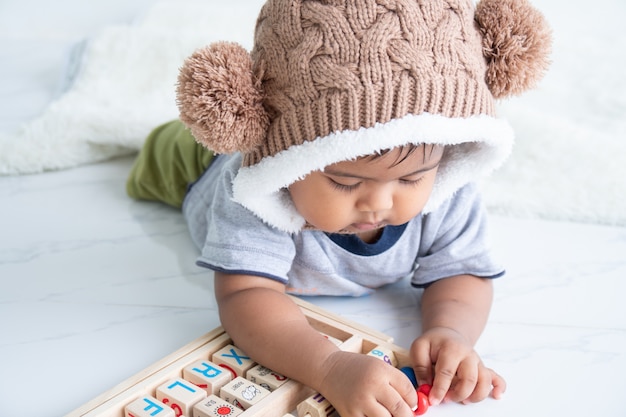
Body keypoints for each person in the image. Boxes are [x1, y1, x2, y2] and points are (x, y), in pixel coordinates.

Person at [127, 0, 551, 415]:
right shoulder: (252, 194)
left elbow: (462, 271)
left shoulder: (447, 187)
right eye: (345, 181)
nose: (380, 202)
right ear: (290, 163)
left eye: (410, 179)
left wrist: (451, 331)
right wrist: (329, 366)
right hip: (195, 167)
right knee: (165, 150)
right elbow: (246, 294)